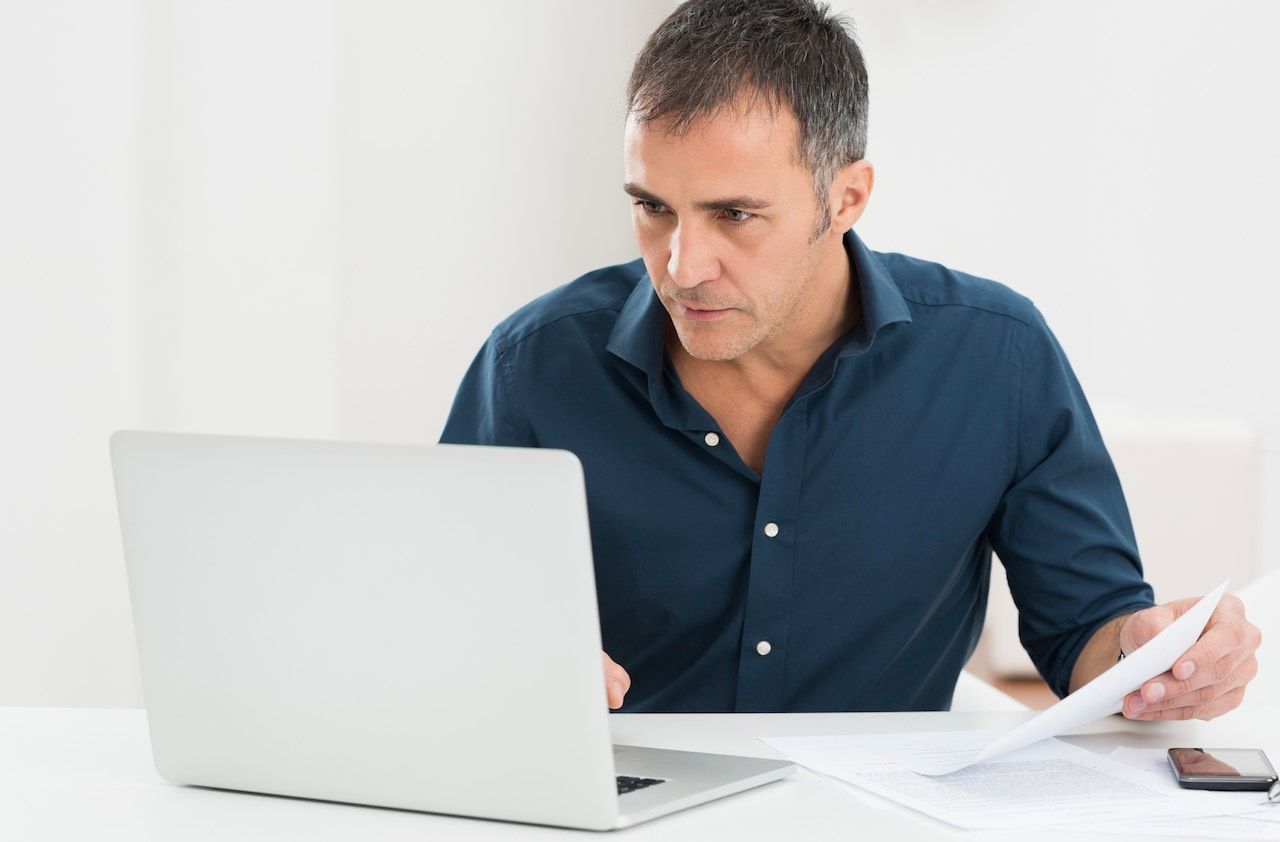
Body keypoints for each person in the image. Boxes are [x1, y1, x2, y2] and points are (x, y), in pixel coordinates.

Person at [440, 0, 1260, 718]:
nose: (683, 266)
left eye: (734, 215)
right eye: (653, 207)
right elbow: (438, 619)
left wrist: (1159, 660)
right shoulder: (534, 367)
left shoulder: (995, 358)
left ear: (847, 196)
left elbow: (1088, 631)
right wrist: (498, 663)